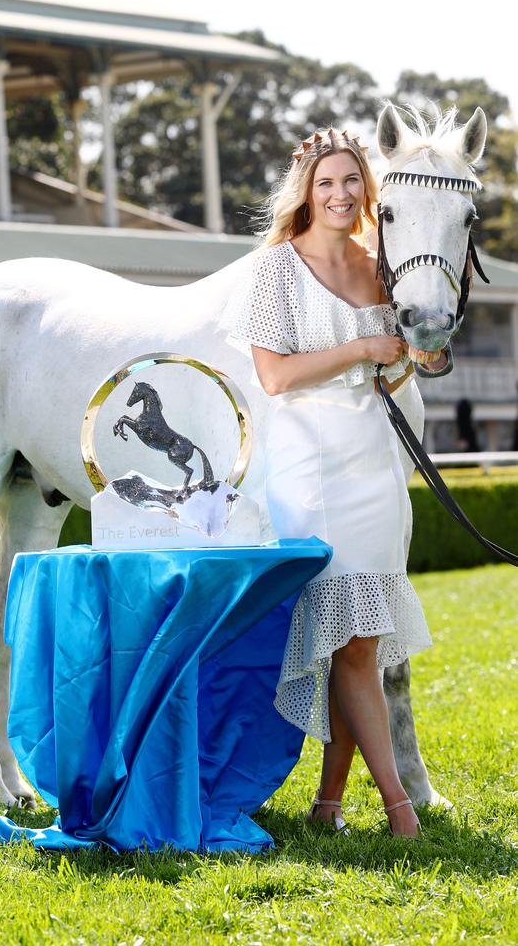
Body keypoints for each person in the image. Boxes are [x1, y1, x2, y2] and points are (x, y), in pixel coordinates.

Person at [229, 128, 432, 838]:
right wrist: (361, 348)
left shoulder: (381, 265)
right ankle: (401, 810)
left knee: (363, 642)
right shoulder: (274, 271)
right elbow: (275, 375)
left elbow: (400, 365)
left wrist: (413, 357)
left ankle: (327, 805)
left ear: (366, 190)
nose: (341, 194)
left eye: (352, 182)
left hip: (374, 463)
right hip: (310, 466)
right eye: (326, 184)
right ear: (306, 193)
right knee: (345, 644)